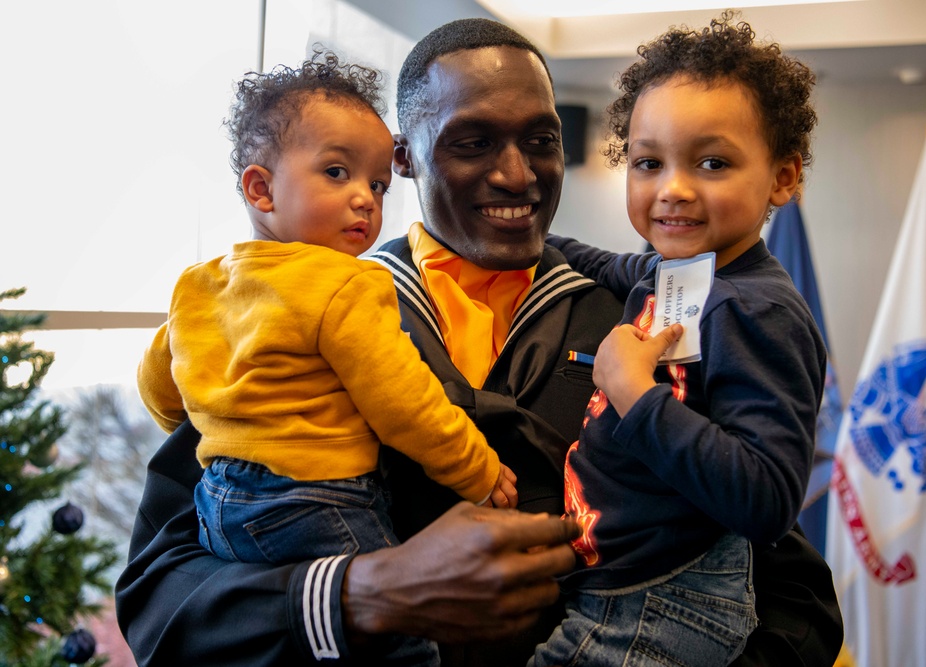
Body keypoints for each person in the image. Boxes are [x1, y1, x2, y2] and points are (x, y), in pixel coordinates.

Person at [116, 17, 843, 667]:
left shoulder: (642, 325)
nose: (517, 175)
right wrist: (364, 591)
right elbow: (160, 594)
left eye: (542, 141)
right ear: (404, 158)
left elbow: (791, 590)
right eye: (472, 142)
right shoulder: (292, 314)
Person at [135, 51, 520, 665]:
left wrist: (225, 421)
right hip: (315, 502)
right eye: (337, 173)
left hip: (219, 504)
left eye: (377, 184)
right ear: (261, 189)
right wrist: (477, 470)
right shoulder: (348, 284)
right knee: (404, 645)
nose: (365, 199)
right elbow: (403, 404)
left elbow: (162, 390)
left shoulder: (199, 285)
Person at [530, 13, 826, 666]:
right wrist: (530, 236)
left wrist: (635, 393)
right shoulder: (680, 271)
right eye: (648, 163)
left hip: (664, 601)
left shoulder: (758, 308)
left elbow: (768, 499)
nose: (673, 189)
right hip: (617, 584)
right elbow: (609, 264)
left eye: (712, 162)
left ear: (783, 178)